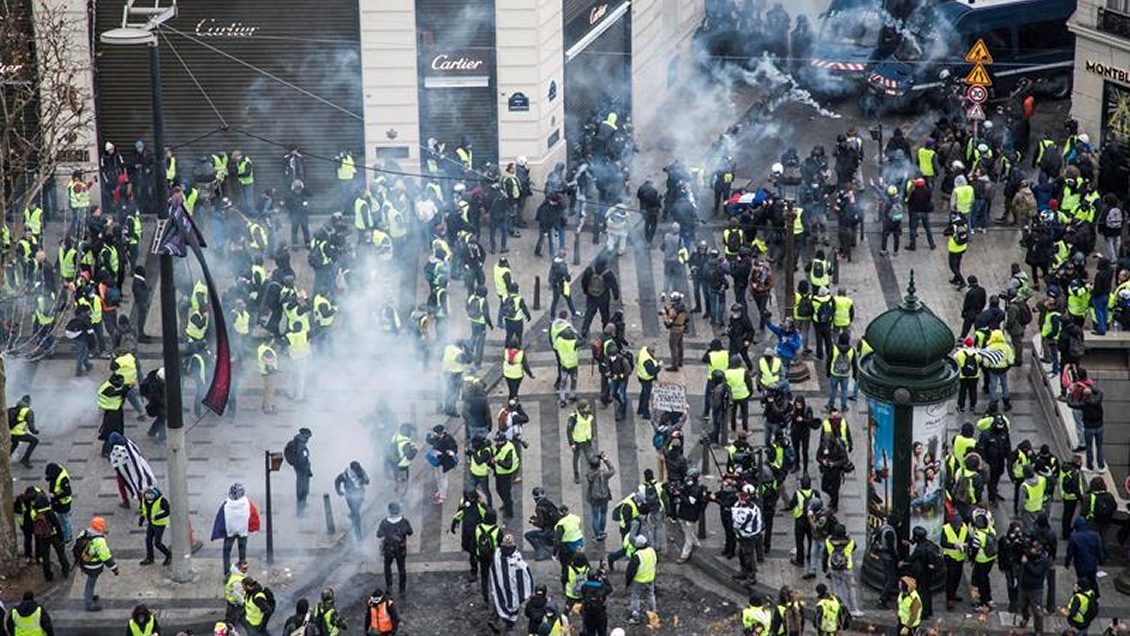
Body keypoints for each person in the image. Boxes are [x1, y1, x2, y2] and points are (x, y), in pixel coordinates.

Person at [210, 482, 261, 578]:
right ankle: (243, 573)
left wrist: (217, 533)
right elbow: (254, 516)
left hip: (230, 533)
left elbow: (220, 519)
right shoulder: (247, 503)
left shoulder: (226, 504)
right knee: (242, 551)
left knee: (226, 552)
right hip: (243, 532)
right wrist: (253, 528)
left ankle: (227, 574)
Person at [488, 533, 533, 635]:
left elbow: (494, 568)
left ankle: (494, 619)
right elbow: (524, 573)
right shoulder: (516, 559)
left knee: (499, 600)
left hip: (499, 586)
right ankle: (508, 625)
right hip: (511, 589)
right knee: (512, 605)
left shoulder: (497, 554)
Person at [77, 516, 119, 611]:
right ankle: (89, 604)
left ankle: (90, 596)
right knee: (90, 584)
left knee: (90, 583)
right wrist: (114, 568)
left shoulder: (84, 533)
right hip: (93, 566)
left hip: (84, 563)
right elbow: (106, 557)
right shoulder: (99, 541)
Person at [376, 502, 413, 597]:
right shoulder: (404, 521)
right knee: (401, 568)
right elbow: (410, 532)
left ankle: (389, 587)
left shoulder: (384, 522)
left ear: (389, 510)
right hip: (401, 549)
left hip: (388, 549)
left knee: (387, 567)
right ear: (399, 510)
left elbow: (379, 534)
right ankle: (402, 590)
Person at [1018, 539, 1050, 635]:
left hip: (1035, 589)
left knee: (1037, 612)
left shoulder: (1043, 560)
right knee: (1023, 605)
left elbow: (1037, 572)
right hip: (1024, 586)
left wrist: (1026, 563)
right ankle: (1025, 618)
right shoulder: (1028, 556)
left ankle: (1038, 631)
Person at [1065, 515, 1105, 592]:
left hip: (1080, 564)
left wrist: (1067, 562)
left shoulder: (1074, 537)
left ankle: (1083, 595)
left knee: (1082, 581)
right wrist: (1101, 560)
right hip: (1092, 563)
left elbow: (1070, 551)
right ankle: (1094, 595)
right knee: (1092, 580)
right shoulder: (1094, 535)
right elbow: (1099, 549)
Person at [625, 534, 658, 625]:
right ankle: (653, 614)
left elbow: (630, 571)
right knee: (651, 595)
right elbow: (656, 561)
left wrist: (628, 582)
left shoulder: (637, 555)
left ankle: (635, 617)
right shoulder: (652, 551)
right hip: (650, 578)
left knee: (635, 597)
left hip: (639, 580)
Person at [334, 461, 370, 541]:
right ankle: (358, 535)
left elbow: (367, 481)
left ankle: (352, 516)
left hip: (360, 496)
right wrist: (339, 491)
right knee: (356, 514)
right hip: (350, 497)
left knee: (355, 511)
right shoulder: (346, 475)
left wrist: (364, 480)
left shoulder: (362, 472)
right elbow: (337, 481)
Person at [138, 486, 171, 566]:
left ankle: (169, 555)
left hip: (159, 524)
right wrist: (141, 520)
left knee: (157, 543)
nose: (149, 499)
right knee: (148, 540)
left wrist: (157, 517)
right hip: (151, 523)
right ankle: (150, 558)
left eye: (151, 497)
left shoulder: (162, 500)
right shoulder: (144, 499)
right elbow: (143, 510)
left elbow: (168, 511)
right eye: (147, 497)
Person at [426, 425, 458, 505]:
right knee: (437, 477)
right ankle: (440, 491)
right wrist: (427, 437)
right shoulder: (437, 438)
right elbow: (431, 441)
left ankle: (442, 495)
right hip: (437, 462)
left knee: (443, 478)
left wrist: (440, 455)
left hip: (444, 463)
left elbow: (453, 451)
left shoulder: (448, 439)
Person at [587, 452, 616, 541]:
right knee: (603, 514)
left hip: (594, 497)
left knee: (595, 516)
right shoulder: (604, 474)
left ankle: (597, 535)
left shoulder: (589, 474)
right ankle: (602, 531)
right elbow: (612, 470)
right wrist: (606, 460)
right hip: (604, 496)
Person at [567, 401, 597, 484]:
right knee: (576, 458)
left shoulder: (589, 413)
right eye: (587, 407)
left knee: (590, 457)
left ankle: (591, 473)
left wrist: (592, 435)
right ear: (581, 408)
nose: (588, 408)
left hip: (587, 440)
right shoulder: (574, 417)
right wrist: (571, 443)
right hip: (577, 441)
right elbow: (569, 431)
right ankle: (576, 474)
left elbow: (590, 425)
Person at [8, 394, 40, 467]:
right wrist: (35, 431)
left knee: (15, 443)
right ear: (29, 402)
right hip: (18, 434)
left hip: (10, 433)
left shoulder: (13, 409)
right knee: (35, 441)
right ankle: (25, 459)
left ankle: (5, 458)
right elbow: (31, 426)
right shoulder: (28, 411)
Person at [45, 462, 74, 542]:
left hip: (63, 503)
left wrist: (54, 495)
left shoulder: (63, 478)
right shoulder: (57, 472)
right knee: (64, 519)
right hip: (58, 502)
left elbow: (67, 491)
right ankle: (67, 534)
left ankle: (67, 538)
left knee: (64, 520)